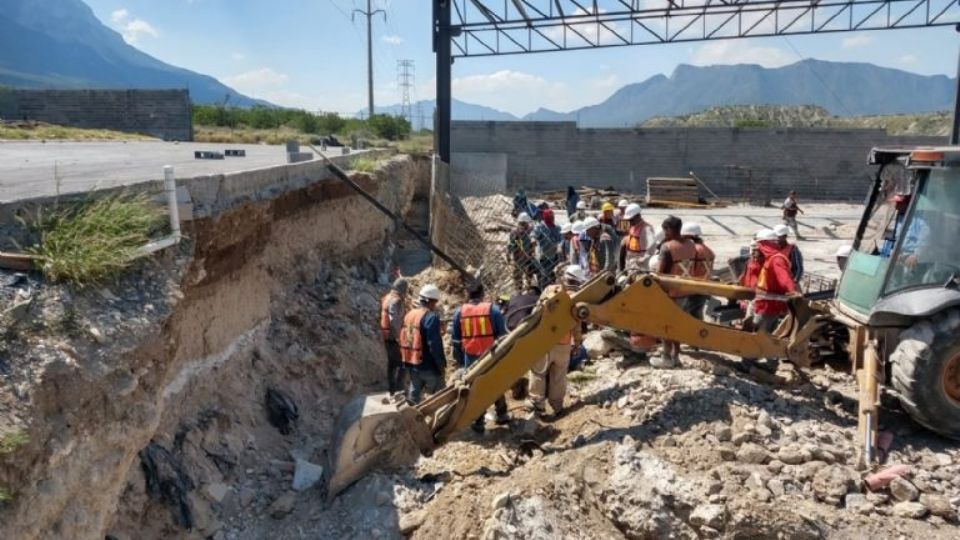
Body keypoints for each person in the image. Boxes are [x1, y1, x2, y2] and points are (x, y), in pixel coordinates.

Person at [451, 281, 509, 432]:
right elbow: (502, 336)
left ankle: (478, 422)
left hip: (470, 357)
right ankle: (502, 414)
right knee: (496, 383)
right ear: (482, 294)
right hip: (491, 354)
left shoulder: (459, 312)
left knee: (475, 389)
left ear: (467, 294)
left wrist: (459, 359)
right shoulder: (493, 310)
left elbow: (456, 340)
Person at [527, 265, 584, 419]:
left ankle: (537, 404)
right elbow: (577, 325)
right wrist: (577, 344)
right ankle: (557, 406)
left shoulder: (550, 290)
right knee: (558, 376)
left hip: (544, 341)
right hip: (563, 344)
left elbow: (536, 312)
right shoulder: (577, 298)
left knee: (538, 372)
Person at [654, 216, 697, 368]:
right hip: (687, 291)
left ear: (669, 230)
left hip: (671, 293)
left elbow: (659, 273)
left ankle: (666, 358)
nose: (664, 234)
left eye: (665, 230)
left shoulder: (667, 247)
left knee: (667, 325)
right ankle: (676, 356)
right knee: (678, 325)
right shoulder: (691, 244)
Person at [400, 284, 448, 404]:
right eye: (435, 302)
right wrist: (441, 365)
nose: (435, 305)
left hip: (412, 363)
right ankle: (440, 422)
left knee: (413, 397)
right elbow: (434, 345)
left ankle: (410, 420)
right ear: (431, 301)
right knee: (441, 398)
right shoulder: (431, 317)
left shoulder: (409, 315)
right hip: (428, 366)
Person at [750, 229, 798, 334]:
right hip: (764, 305)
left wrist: (792, 291)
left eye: (760, 245)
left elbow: (784, 278)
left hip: (769, 307)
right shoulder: (770, 259)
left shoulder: (776, 259)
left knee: (760, 335)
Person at [380, 277, 409, 394]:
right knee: (404, 363)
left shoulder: (387, 297)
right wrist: (399, 337)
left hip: (387, 337)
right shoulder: (396, 301)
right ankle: (399, 391)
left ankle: (392, 389)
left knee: (392, 365)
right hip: (394, 338)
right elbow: (394, 319)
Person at [682, 222, 714, 320]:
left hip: (693, 287)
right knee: (697, 313)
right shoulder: (708, 250)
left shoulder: (693, 250)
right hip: (704, 287)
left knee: (687, 315)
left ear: (688, 235)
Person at [619, 203, 656, 273]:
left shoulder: (647, 228)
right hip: (630, 264)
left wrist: (642, 260)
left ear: (638, 216)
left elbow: (652, 247)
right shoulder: (633, 226)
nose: (629, 222)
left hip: (641, 267)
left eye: (631, 220)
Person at [533, 206, 562, 288]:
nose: (552, 219)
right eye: (550, 217)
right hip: (544, 257)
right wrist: (533, 239)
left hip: (554, 256)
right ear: (545, 217)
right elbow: (534, 234)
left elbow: (561, 238)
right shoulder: (540, 227)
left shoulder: (556, 227)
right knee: (544, 277)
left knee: (553, 275)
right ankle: (543, 291)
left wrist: (560, 245)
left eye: (553, 217)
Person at [508, 212, 538, 291]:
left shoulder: (514, 231)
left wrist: (508, 254)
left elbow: (510, 244)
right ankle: (527, 288)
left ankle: (520, 290)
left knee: (518, 275)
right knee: (528, 274)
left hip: (519, 258)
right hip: (528, 257)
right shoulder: (531, 230)